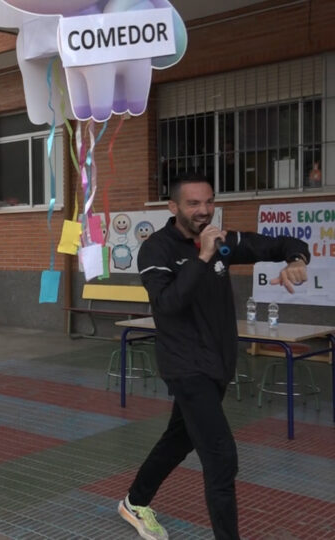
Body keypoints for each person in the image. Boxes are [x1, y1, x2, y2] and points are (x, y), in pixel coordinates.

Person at [119, 173, 310, 540]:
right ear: (173, 207)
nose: (204, 210)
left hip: (218, 363)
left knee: (179, 438)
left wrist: (296, 259)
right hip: (185, 366)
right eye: (193, 203)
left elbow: (279, 244)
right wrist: (203, 256)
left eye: (209, 202)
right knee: (221, 457)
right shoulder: (156, 249)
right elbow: (167, 304)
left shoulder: (223, 241)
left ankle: (135, 502)